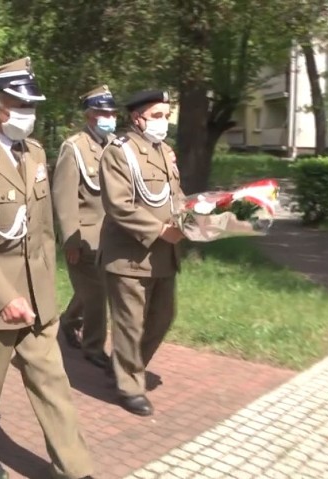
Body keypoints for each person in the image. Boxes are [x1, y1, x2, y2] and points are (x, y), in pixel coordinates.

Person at [0, 57, 94, 479]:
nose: (30, 114)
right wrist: (4, 297)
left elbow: (42, 231)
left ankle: (75, 468)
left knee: (53, 383)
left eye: (31, 106)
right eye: (20, 105)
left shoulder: (36, 153)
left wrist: (45, 290)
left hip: (37, 298)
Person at [97, 90, 186, 417]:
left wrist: (195, 218)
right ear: (138, 118)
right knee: (130, 325)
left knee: (163, 318)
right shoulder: (119, 152)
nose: (165, 122)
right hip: (130, 257)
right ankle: (129, 385)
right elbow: (119, 205)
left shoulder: (163, 152)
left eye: (166, 115)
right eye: (159, 115)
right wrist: (161, 230)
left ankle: (127, 365)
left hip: (165, 256)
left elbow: (174, 196)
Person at [52, 85, 118, 369]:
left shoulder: (115, 144)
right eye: (104, 112)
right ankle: (93, 347)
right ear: (90, 116)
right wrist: (71, 241)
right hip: (85, 237)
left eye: (112, 113)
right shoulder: (74, 148)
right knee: (97, 293)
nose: (109, 117)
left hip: (113, 236)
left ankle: (67, 322)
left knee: (90, 291)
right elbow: (63, 197)